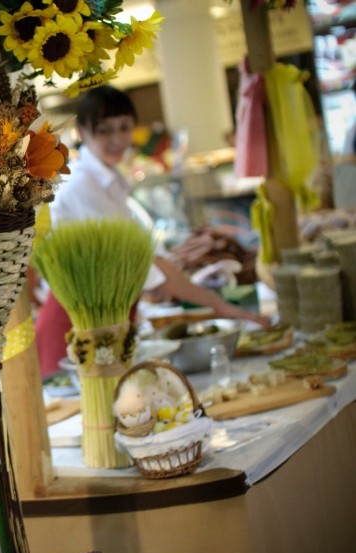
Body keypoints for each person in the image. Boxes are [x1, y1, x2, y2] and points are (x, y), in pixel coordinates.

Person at [36, 85, 269, 378]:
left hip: (106, 321)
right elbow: (148, 266)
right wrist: (224, 308)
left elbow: (148, 260)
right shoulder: (83, 185)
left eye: (124, 128)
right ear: (82, 130)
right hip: (73, 328)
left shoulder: (112, 182)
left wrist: (221, 307)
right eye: (104, 130)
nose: (117, 139)